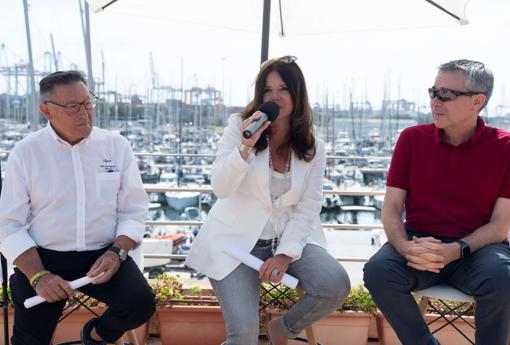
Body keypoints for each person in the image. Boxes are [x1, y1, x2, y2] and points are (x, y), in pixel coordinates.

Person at [185, 56, 350, 345]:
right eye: (267, 91)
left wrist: (286, 253)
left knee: (334, 284)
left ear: (298, 95)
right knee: (244, 338)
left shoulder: (313, 145)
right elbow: (221, 188)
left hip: (289, 238)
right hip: (235, 244)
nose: (274, 97)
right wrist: (245, 146)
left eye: (283, 89)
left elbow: (310, 204)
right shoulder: (239, 126)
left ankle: (283, 329)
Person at [0, 71, 155, 345]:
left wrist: (117, 253)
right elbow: (9, 224)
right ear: (46, 111)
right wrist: (38, 276)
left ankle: (95, 336)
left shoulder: (116, 146)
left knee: (140, 303)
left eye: (88, 103)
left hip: (102, 255)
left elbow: (134, 209)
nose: (84, 112)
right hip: (43, 258)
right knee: (29, 341)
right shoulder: (26, 153)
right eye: (72, 106)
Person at [363, 59, 510, 345]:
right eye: (433, 92)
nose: (435, 101)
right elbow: (392, 209)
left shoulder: (505, 147)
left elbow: (501, 224)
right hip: (419, 246)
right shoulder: (411, 140)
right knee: (379, 272)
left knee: (504, 279)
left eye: (446, 94)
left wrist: (455, 250)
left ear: (477, 101)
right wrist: (405, 247)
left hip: (477, 251)